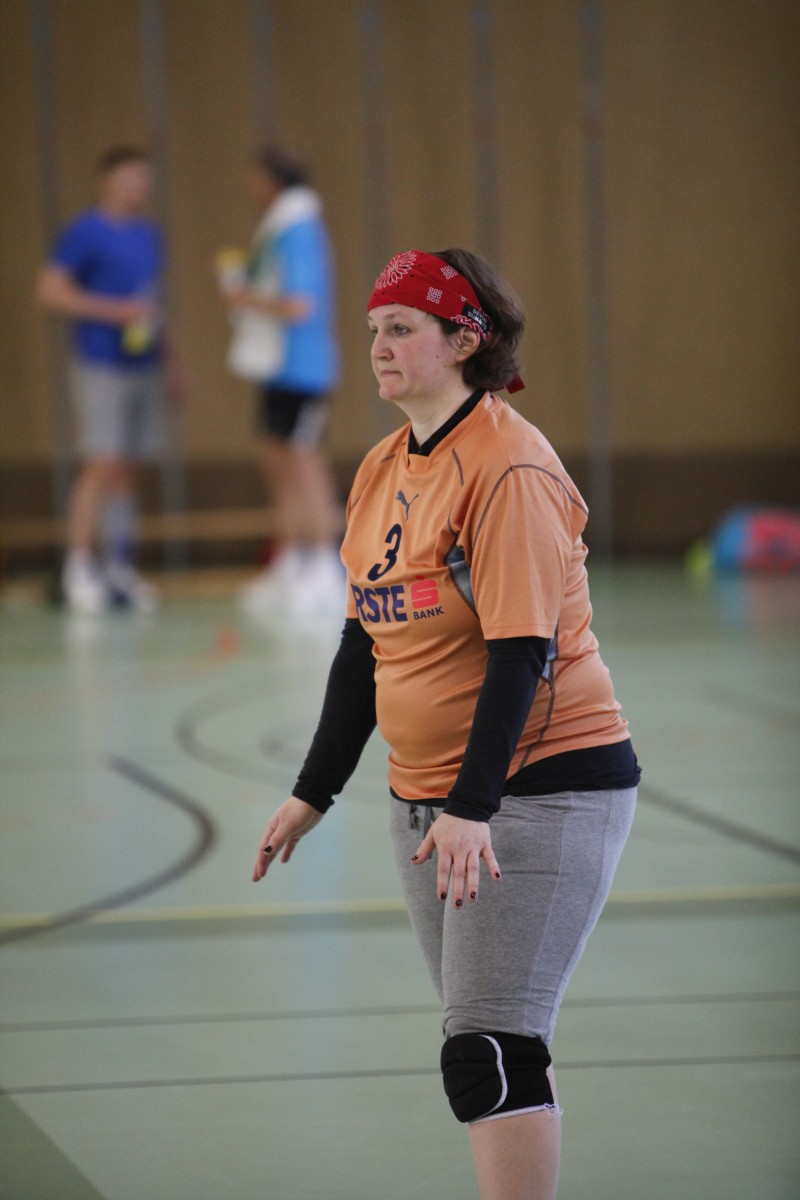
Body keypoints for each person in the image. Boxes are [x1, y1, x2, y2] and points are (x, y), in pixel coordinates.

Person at [251, 248, 640, 1200]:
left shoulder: (508, 466)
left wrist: (475, 806)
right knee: (488, 1041)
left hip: (537, 787)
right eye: (373, 331)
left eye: (402, 329)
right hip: (427, 800)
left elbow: (522, 651)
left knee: (489, 1049)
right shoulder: (384, 466)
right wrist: (314, 790)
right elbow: (364, 640)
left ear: (465, 340)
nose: (379, 348)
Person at [35, 144, 184, 613]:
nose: (136, 190)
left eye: (143, 182)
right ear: (106, 183)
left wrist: (172, 363)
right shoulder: (85, 231)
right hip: (100, 362)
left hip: (143, 364)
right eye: (128, 181)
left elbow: (153, 303)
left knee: (128, 469)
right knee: (101, 464)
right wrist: (110, 311)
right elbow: (50, 291)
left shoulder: (149, 236)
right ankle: (79, 566)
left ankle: (118, 565)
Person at [218, 144, 342, 619]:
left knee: (305, 463)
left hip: (304, 367)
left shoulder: (298, 229)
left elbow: (299, 304)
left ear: (271, 180)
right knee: (277, 461)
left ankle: (324, 563)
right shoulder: (278, 228)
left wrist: (245, 298)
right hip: (277, 367)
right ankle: (291, 559)